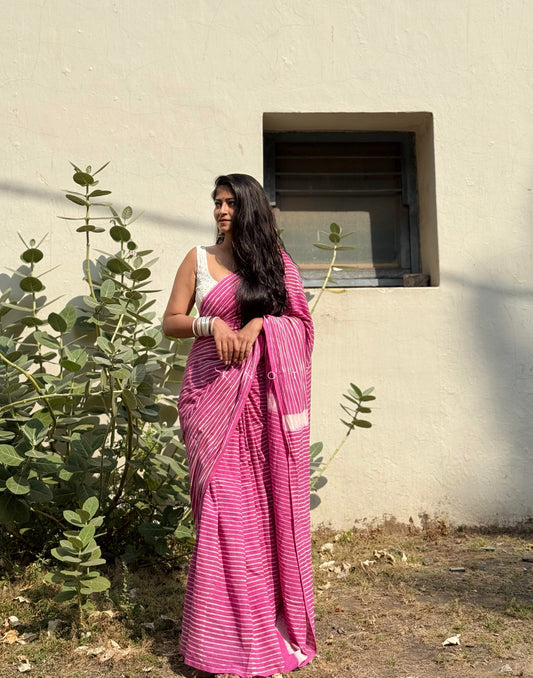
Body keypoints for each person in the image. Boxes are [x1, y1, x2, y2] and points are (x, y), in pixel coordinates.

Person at [162, 174, 316, 678]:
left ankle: (256, 633)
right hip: (208, 396)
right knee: (222, 514)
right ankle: (219, 642)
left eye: (230, 203)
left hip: (258, 405)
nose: (221, 210)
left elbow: (300, 322)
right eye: (217, 202)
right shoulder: (197, 258)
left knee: (256, 517)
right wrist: (216, 324)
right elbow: (171, 321)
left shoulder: (274, 265)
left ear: (250, 208)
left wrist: (260, 324)